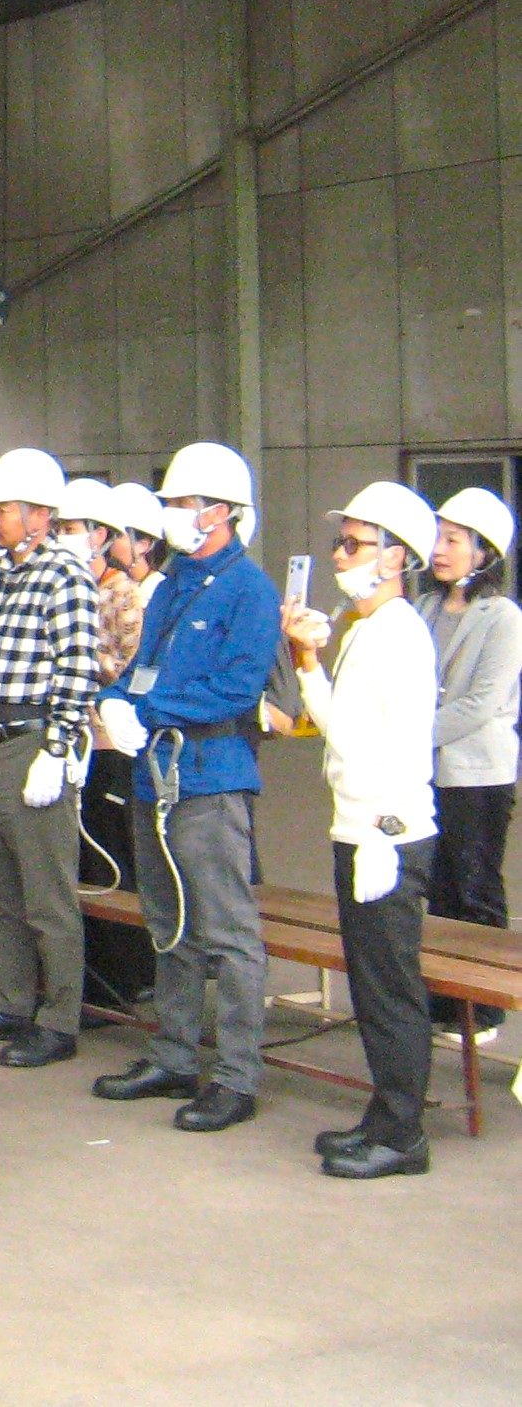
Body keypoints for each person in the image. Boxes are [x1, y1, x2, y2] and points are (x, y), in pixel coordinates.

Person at [88, 441, 281, 1133]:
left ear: (221, 511)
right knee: (168, 925)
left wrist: (144, 711)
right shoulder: (173, 585)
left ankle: (236, 1074)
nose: (171, 513)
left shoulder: (250, 590)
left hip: (208, 775)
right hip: (156, 773)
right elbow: (144, 667)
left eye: (180, 502)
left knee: (228, 933)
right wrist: (115, 697)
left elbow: (234, 687)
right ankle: (172, 1054)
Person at [282, 483, 441, 1179]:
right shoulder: (366, 626)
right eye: (339, 542)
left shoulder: (399, 633)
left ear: (396, 556)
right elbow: (340, 725)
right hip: (361, 826)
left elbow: (396, 743)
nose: (341, 555)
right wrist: (308, 660)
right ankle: (385, 1113)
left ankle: (403, 1132)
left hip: (385, 832)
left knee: (390, 986)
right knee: (373, 987)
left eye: (356, 543)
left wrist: (383, 827)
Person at [0, 446, 100, 1069]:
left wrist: (58, 747)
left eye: (4, 508)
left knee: (46, 895)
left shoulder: (65, 573)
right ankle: (8, 1003)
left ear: (39, 514)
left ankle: (58, 1019)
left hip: (30, 744)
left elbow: (77, 665)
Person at [419, 487, 521, 1034]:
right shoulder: (425, 606)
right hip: (427, 771)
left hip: (478, 774)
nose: (439, 548)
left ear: (484, 552)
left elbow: (481, 703)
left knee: (474, 886)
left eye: (453, 539)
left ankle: (483, 1007)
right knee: (435, 885)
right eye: (438, 536)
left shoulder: (503, 618)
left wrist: (412, 736)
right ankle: (442, 997)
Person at [59, 479, 142, 685]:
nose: (60, 537)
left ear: (98, 535)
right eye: (58, 530)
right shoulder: (57, 585)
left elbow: (127, 666)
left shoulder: (124, 592)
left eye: (69, 530)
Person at [109, 482, 170, 618]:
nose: (107, 544)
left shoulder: (159, 590)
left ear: (143, 545)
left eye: (116, 536)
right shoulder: (107, 588)